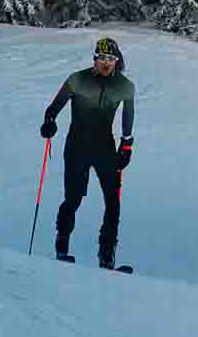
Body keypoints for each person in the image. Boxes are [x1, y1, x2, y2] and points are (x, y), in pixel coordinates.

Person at [40, 36, 135, 268]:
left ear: (117, 60)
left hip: (104, 147)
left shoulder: (124, 86)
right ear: (95, 58)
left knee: (113, 202)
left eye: (111, 59)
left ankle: (106, 257)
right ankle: (62, 248)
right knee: (73, 199)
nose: (106, 63)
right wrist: (49, 122)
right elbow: (53, 107)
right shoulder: (78, 80)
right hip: (76, 147)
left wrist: (126, 145)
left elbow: (128, 118)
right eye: (102, 58)